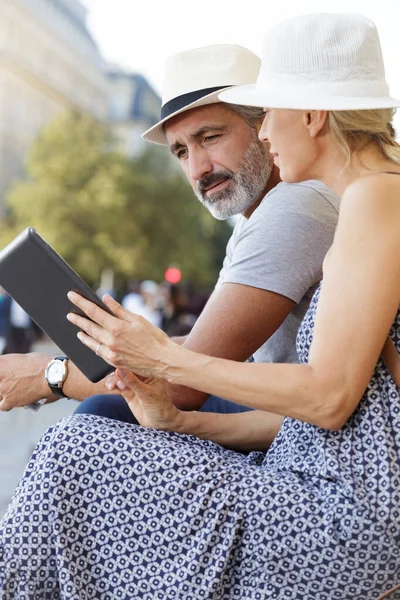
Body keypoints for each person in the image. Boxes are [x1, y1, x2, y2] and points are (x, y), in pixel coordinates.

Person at [1, 13, 398, 599]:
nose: (266, 134)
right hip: (334, 493)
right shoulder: (368, 199)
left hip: (340, 517)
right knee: (83, 451)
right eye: (181, 149)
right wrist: (180, 414)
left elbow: (331, 399)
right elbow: (353, 415)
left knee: (76, 451)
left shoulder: (367, 199)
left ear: (310, 115)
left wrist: (159, 360)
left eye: (268, 116)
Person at [0, 43, 339, 420]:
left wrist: (51, 375)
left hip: (299, 431)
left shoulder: (293, 205)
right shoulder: (255, 218)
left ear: (265, 125)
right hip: (275, 410)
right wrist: (88, 354)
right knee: (105, 411)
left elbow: (182, 387)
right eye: (180, 152)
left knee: (102, 416)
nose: (197, 169)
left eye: (210, 137)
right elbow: (196, 352)